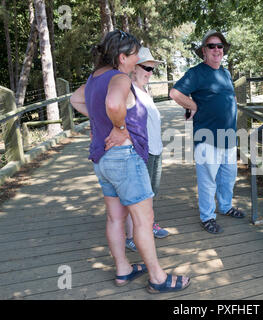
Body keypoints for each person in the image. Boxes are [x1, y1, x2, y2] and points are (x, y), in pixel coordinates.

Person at [70, 30, 190, 293]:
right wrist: (120, 126)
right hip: (124, 156)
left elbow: (75, 99)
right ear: (123, 57)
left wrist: (100, 120)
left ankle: (123, 269)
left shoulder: (94, 78)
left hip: (102, 159)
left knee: (115, 218)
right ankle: (158, 278)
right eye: (135, 55)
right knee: (143, 220)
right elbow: (114, 103)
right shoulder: (119, 77)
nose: (137, 60)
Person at [169, 30, 245, 234]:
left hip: (228, 136)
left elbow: (229, 99)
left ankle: (226, 206)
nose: (217, 50)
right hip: (207, 137)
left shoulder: (226, 73)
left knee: (228, 176)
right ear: (204, 51)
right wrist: (192, 106)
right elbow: (175, 93)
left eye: (220, 46)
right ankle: (207, 216)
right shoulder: (196, 73)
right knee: (208, 180)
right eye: (212, 46)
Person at [124, 47, 169, 252]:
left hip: (155, 149)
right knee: (138, 195)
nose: (150, 73)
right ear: (135, 67)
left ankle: (149, 224)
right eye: (146, 68)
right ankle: (131, 235)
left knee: (151, 192)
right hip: (141, 151)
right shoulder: (129, 89)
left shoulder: (145, 90)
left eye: (152, 69)